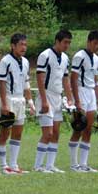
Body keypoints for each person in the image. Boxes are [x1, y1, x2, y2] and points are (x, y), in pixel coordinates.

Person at [33, 30, 74, 173]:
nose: (67, 45)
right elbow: (40, 78)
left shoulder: (65, 58)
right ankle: (38, 166)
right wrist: (44, 101)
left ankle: (50, 165)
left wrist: (69, 98)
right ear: (57, 41)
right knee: (48, 133)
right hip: (46, 95)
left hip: (58, 96)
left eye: (69, 43)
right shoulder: (45, 55)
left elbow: (65, 79)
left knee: (56, 133)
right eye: (65, 42)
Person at [0, 33, 35, 175]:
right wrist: (4, 104)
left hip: (20, 100)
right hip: (9, 99)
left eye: (25, 44)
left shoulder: (25, 62)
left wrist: (30, 102)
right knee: (5, 132)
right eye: (21, 44)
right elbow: (1, 83)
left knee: (18, 133)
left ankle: (14, 165)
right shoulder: (5, 61)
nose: (24, 47)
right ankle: (3, 166)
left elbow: (26, 83)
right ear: (13, 46)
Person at [69, 30, 98, 172]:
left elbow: (96, 81)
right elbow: (73, 78)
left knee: (88, 129)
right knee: (78, 128)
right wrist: (77, 101)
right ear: (88, 42)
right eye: (95, 43)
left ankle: (84, 164)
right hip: (81, 90)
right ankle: (74, 164)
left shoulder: (96, 59)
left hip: (91, 93)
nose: (97, 46)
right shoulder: (79, 56)